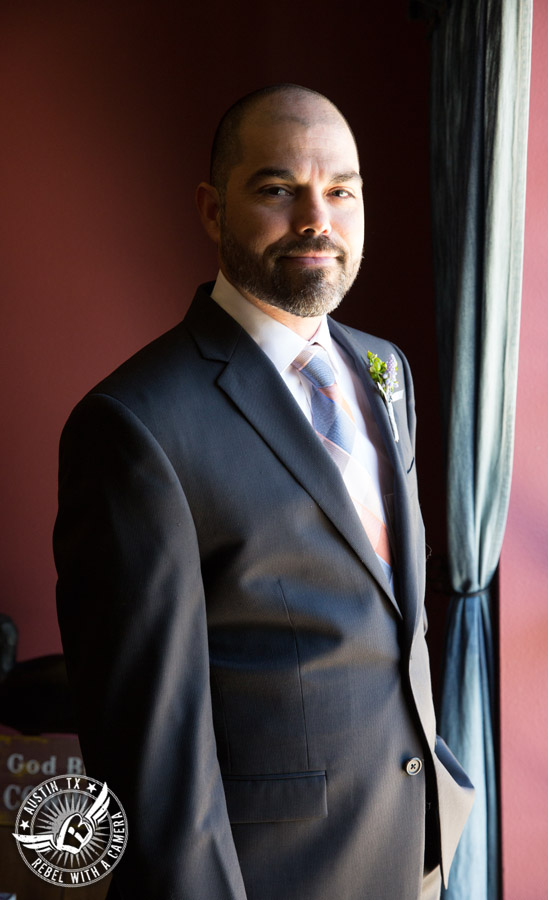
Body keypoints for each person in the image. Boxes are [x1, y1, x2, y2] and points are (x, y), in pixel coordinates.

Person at [54, 84, 473, 900]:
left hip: (416, 849)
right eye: (279, 189)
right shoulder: (135, 425)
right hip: (276, 876)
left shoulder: (385, 371)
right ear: (213, 211)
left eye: (341, 190)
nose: (318, 218)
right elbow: (153, 750)